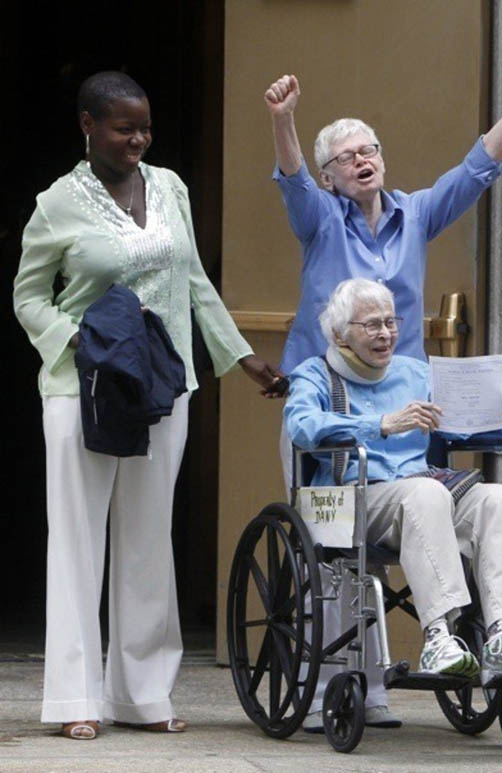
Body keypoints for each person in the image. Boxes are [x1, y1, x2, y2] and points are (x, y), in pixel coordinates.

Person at [265, 55, 502, 727]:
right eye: (348, 156)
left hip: (406, 405)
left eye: (372, 150)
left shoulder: (414, 215)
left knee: (475, 494)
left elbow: (476, 169)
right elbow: (293, 178)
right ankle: (338, 683)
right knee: (335, 559)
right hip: (332, 399)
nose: (363, 160)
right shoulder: (321, 219)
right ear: (333, 175)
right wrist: (284, 120)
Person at [13, 71, 284, 741]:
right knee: (79, 538)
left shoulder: (169, 188)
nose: (138, 138)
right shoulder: (56, 204)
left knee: (146, 538)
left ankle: (140, 692)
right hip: (85, 390)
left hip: (164, 384)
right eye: (123, 127)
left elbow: (192, 280)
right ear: (87, 125)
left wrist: (240, 356)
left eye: (146, 127)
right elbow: (28, 296)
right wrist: (74, 337)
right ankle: (75, 696)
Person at [285, 278, 502, 689]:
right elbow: (301, 426)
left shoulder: (414, 372)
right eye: (372, 324)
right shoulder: (315, 375)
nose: (386, 333)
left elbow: (462, 425)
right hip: (358, 497)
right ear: (340, 333)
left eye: (391, 322)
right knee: (426, 494)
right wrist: (380, 424)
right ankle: (439, 637)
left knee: (496, 499)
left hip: (423, 493)